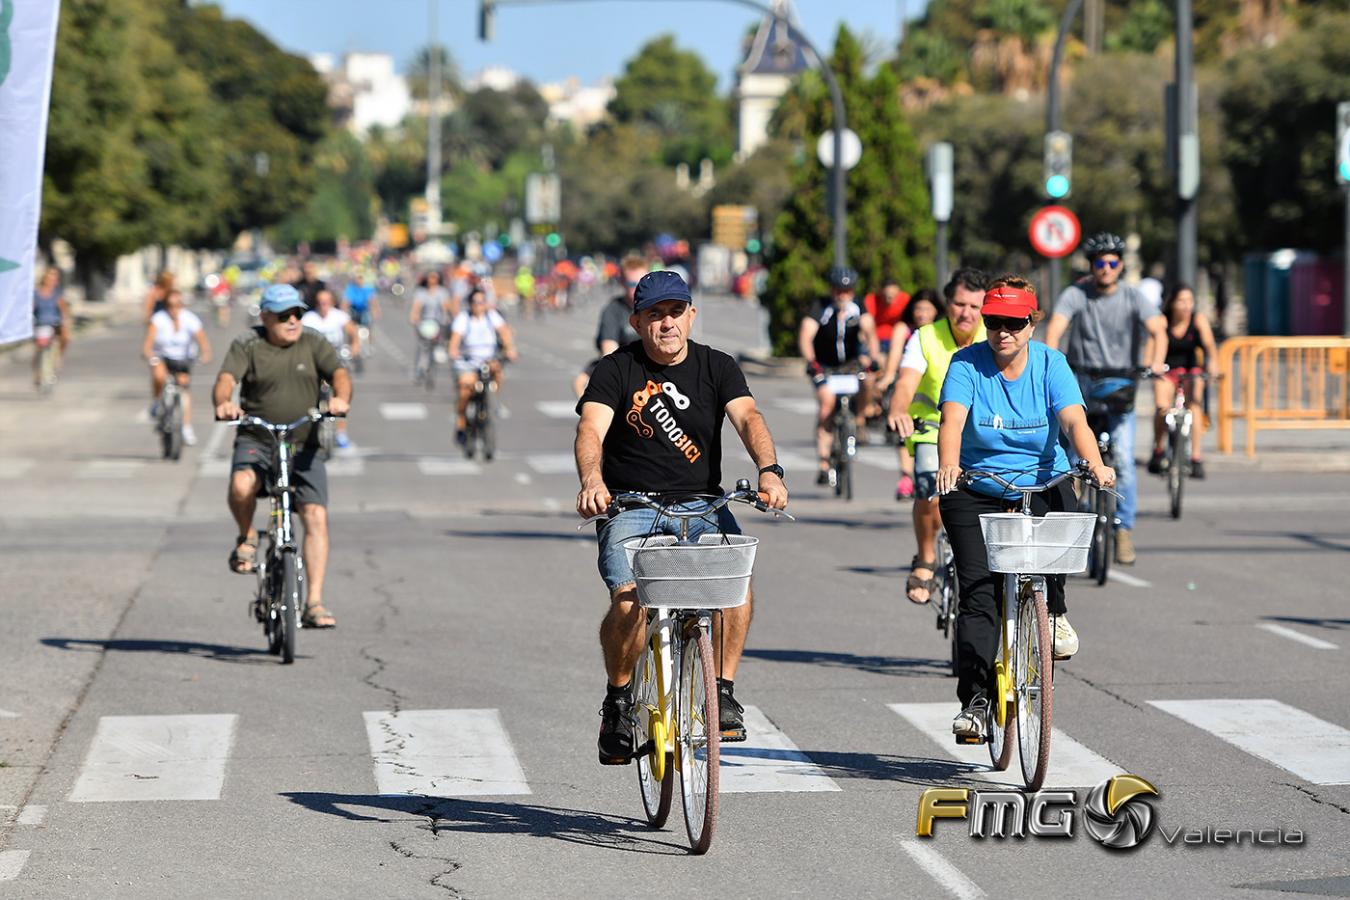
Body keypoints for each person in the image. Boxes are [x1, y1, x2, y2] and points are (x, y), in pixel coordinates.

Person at [574, 270, 789, 762]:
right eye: (655, 315)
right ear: (637, 322)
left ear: (691, 315)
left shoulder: (717, 365)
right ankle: (618, 701)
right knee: (630, 600)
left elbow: (748, 417)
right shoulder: (616, 369)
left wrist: (770, 471)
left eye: (675, 312)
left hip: (702, 504)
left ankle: (723, 691)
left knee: (735, 586)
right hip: (631, 505)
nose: (666, 323)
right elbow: (591, 429)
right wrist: (592, 481)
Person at [934, 277, 1116, 739]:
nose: (1004, 332)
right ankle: (976, 703)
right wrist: (949, 464)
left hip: (1042, 481)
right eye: (994, 322)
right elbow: (952, 420)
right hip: (977, 486)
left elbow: (1073, 420)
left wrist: (1095, 463)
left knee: (1064, 515)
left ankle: (1053, 609)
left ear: (1032, 324)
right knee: (979, 592)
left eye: (1014, 323)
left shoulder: (1052, 364)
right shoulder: (966, 364)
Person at [213, 284, 351, 629]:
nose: (292, 321)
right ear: (265, 317)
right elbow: (226, 378)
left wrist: (340, 398)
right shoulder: (249, 343)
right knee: (241, 485)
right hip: (258, 437)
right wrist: (224, 402)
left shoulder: (313, 342)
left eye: (297, 314)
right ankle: (247, 536)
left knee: (315, 516)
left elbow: (339, 374)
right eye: (283, 315)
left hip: (303, 443)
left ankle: (313, 602)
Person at [1045, 231, 1167, 566]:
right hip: (1081, 382)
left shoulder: (1133, 296)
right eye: (1100, 263)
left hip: (1121, 385)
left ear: (1121, 266)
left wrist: (1156, 362)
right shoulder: (1076, 294)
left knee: (1123, 460)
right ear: (1091, 266)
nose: (1106, 269)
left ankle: (1122, 529)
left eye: (1113, 263)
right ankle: (1069, 523)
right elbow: (1055, 330)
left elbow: (1158, 329)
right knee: (1072, 461)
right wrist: (1052, 364)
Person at [886, 269, 988, 602]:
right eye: (959, 304)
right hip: (932, 429)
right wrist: (899, 410)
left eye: (975, 306)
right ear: (947, 304)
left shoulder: (994, 334)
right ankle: (926, 557)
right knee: (930, 490)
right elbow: (905, 383)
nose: (966, 313)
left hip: (984, 432)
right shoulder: (925, 337)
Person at [799, 266, 880, 485]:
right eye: (838, 290)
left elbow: (870, 333)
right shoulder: (821, 306)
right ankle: (824, 464)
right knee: (826, 406)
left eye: (847, 291)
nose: (842, 295)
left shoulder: (858, 306)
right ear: (832, 290)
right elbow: (806, 336)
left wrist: (872, 358)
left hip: (851, 365)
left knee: (868, 380)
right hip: (825, 366)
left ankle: (860, 420)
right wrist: (811, 362)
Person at [879, 288, 944, 500]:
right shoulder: (904, 329)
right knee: (903, 429)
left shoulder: (941, 333)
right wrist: (889, 376)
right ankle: (906, 476)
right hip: (906, 385)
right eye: (918, 309)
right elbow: (895, 354)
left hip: (930, 390)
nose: (922, 314)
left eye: (927, 309)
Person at [1149, 283, 1218, 479]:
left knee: (1194, 406)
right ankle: (1158, 449)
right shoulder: (1163, 321)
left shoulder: (1198, 320)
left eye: (1190, 301)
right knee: (1162, 408)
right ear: (1172, 303)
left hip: (1191, 370)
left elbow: (1210, 346)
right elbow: (1156, 347)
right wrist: (1154, 365)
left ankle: (1196, 458)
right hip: (1167, 370)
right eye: (1181, 301)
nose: (1187, 305)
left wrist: (1213, 365)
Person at [142, 289, 212, 445]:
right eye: (170, 305)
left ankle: (186, 427)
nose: (174, 309)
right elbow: (148, 343)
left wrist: (205, 353)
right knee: (159, 376)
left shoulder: (189, 319)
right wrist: (149, 355)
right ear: (166, 306)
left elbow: (201, 339)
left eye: (178, 304)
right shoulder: (158, 319)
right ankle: (156, 402)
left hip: (183, 359)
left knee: (184, 389)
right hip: (163, 356)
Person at [448, 288, 517, 444]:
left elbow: (504, 332)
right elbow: (455, 339)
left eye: (482, 302)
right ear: (470, 303)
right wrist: (453, 350)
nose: (478, 305)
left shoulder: (491, 316)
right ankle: (461, 421)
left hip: (488, 360)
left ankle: (493, 401)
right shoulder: (463, 318)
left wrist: (510, 348)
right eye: (475, 302)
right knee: (465, 388)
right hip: (468, 362)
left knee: (498, 372)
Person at [573, 255, 646, 397]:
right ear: (622, 282)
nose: (638, 289)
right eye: (632, 284)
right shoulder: (613, 309)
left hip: (652, 366)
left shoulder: (655, 307)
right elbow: (609, 352)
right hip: (624, 369)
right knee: (579, 382)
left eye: (642, 283)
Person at [301, 289, 360, 449]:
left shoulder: (339, 316)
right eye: (320, 302)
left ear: (332, 302)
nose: (323, 305)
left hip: (336, 360)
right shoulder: (309, 318)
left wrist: (354, 347)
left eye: (326, 302)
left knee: (340, 395)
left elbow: (353, 332)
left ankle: (341, 433)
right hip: (315, 362)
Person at [32, 267, 71, 384]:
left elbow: (64, 310)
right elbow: (31, 308)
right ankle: (37, 373)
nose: (52, 280)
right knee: (38, 349)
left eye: (54, 278)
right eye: (50, 277)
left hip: (55, 323)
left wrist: (66, 322)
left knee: (66, 337)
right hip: (39, 323)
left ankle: (59, 355)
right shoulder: (36, 293)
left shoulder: (57, 294)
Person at [864, 278, 911, 356]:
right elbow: (868, 322)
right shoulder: (871, 300)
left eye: (893, 294)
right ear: (881, 292)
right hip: (876, 339)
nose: (890, 297)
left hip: (899, 339)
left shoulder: (905, 299)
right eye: (887, 294)